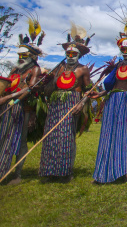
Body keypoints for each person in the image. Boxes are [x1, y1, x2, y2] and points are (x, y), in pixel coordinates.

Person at [91, 14, 127, 183]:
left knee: (123, 135)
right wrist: (99, 94)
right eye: (123, 49)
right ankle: (103, 170)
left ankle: (123, 171)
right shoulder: (118, 66)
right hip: (113, 100)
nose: (125, 52)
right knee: (107, 134)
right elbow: (111, 86)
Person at [38, 22, 92, 182]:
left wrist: (81, 103)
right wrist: (47, 80)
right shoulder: (59, 67)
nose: (70, 56)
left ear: (79, 55)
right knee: (51, 136)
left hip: (72, 102)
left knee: (66, 137)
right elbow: (48, 88)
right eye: (68, 53)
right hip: (56, 103)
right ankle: (48, 171)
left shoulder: (83, 69)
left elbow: (89, 90)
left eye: (73, 53)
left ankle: (65, 172)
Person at [0, 16, 44, 185]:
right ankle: (2, 169)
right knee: (2, 136)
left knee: (20, 139)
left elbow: (30, 88)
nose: (20, 57)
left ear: (32, 56)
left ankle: (17, 174)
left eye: (23, 54)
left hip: (22, 108)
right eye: (19, 54)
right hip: (6, 107)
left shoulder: (35, 70)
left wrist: (11, 99)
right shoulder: (14, 70)